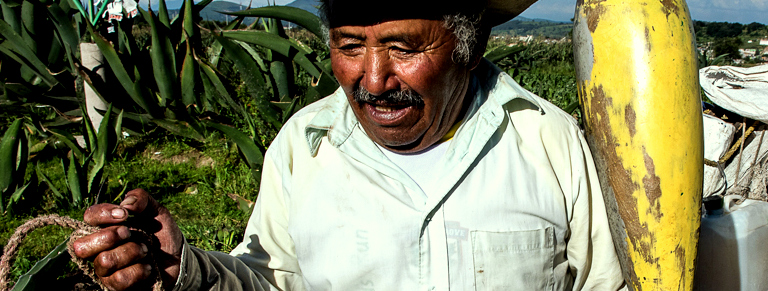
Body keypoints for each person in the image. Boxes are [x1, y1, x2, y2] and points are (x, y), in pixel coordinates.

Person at [72, 0, 626, 290]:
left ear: (470, 45)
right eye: (351, 45)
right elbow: (272, 282)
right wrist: (184, 271)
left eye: (403, 47)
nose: (374, 78)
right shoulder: (303, 148)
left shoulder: (547, 140)